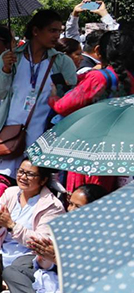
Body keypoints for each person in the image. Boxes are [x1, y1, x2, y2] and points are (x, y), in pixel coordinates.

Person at [0, 9, 77, 178]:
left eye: (59, 31)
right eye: (52, 30)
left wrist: (58, 94)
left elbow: (71, 98)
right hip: (10, 134)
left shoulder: (62, 62)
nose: (57, 36)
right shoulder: (10, 58)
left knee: (34, 183)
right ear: (36, 31)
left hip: (43, 135)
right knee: (4, 183)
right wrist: (5, 69)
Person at [0, 158, 70, 293]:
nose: (23, 177)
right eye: (20, 171)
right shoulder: (10, 193)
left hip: (29, 258)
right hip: (2, 252)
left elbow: (41, 243)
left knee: (11, 272)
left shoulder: (52, 206)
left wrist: (11, 225)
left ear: (42, 180)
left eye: (30, 174)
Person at [52, 28, 134, 193]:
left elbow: (62, 107)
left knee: (81, 195)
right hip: (113, 149)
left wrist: (52, 95)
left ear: (97, 51)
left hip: (87, 148)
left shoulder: (98, 77)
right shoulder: (129, 78)